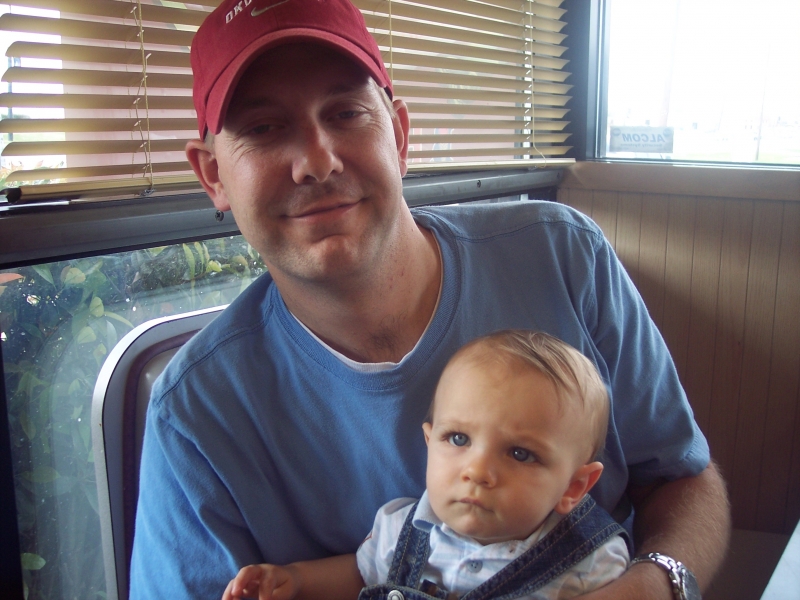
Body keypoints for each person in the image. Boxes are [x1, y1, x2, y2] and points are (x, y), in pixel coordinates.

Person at [129, 0, 730, 598]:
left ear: (398, 134)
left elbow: (681, 476)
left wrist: (655, 585)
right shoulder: (195, 413)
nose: (316, 161)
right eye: (263, 128)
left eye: (345, 113)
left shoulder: (563, 256)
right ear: (213, 176)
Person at [223, 331, 631, 600]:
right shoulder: (402, 530)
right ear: (429, 441)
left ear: (573, 487)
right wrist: (295, 580)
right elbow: (360, 574)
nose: (477, 471)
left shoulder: (591, 561)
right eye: (458, 439)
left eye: (520, 454)